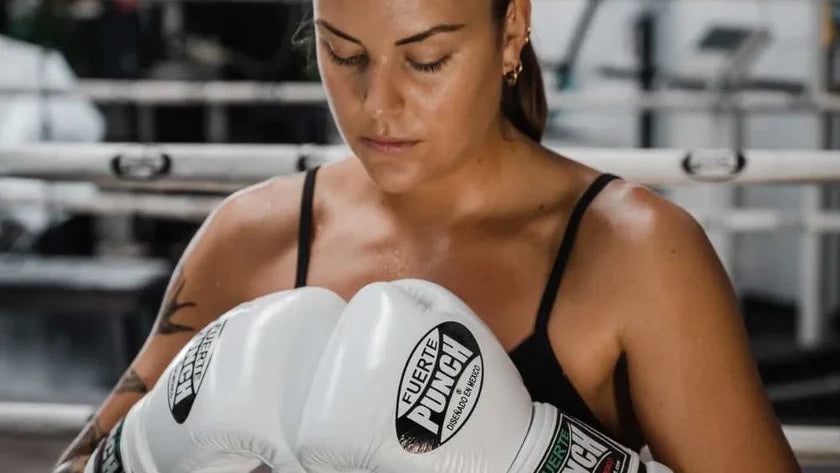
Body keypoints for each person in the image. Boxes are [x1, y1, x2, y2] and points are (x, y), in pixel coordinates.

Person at [55, 0, 801, 472]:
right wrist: (150, 450)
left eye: (426, 59)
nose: (379, 104)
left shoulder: (637, 254)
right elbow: (79, 462)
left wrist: (545, 463)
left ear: (512, 31)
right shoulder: (252, 238)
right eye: (343, 54)